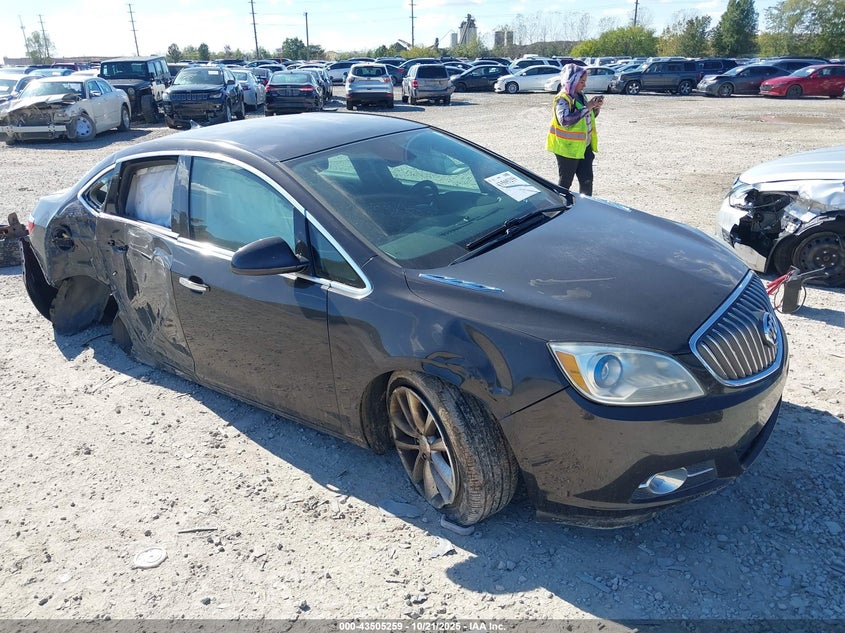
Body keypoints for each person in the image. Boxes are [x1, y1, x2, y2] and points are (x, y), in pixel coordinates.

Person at [546, 64, 603, 196]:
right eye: (581, 82)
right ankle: (561, 208)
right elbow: (565, 121)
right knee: (565, 183)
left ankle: (586, 208)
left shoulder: (580, 95)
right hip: (567, 149)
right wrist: (587, 108)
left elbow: (588, 116)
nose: (584, 85)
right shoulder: (563, 98)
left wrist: (596, 108)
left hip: (584, 147)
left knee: (587, 180)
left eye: (585, 82)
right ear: (572, 80)